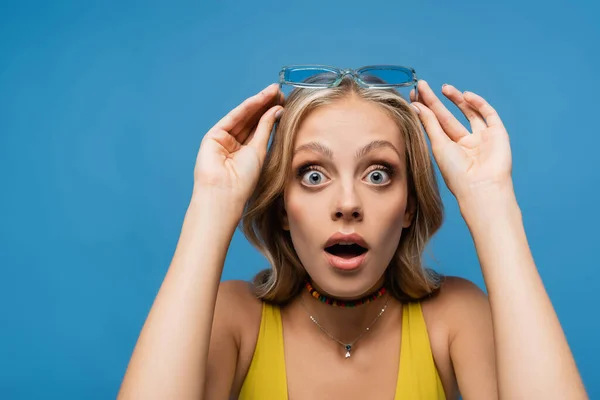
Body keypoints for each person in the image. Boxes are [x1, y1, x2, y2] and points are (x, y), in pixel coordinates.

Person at [117, 65, 588, 399]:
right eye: (313, 175)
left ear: (408, 207)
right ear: (283, 208)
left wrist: (493, 205)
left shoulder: (455, 319)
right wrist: (211, 205)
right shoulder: (233, 319)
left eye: (378, 173)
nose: (347, 205)